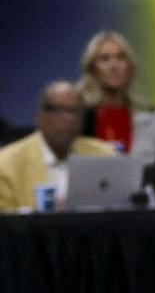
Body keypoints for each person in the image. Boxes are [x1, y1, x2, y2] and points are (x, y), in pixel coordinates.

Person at [0, 81, 114, 211]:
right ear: (40, 116)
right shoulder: (6, 165)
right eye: (59, 110)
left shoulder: (105, 156)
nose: (69, 118)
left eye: (75, 111)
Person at [77, 29, 151, 151]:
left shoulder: (146, 111)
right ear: (92, 68)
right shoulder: (79, 114)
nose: (114, 66)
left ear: (129, 67)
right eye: (105, 59)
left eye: (121, 58)